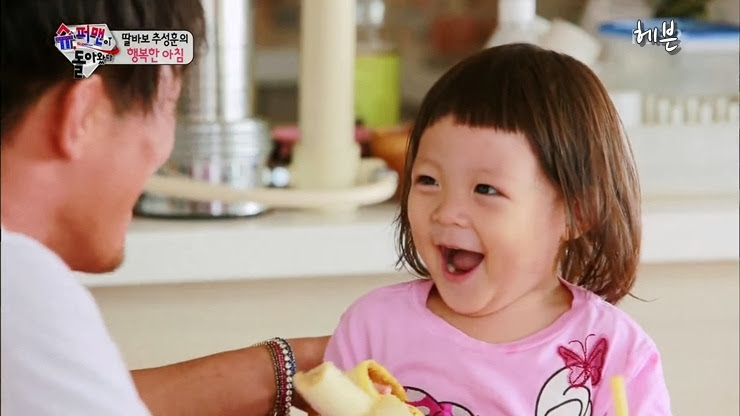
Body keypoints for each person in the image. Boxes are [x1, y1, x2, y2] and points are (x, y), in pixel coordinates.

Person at [1, 1, 328, 415]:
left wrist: (286, 369)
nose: (164, 150)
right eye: (169, 104)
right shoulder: (21, 290)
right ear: (85, 114)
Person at [324, 43, 672, 414]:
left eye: (486, 189)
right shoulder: (373, 330)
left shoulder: (617, 353)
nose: (447, 212)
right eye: (428, 180)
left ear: (577, 212)